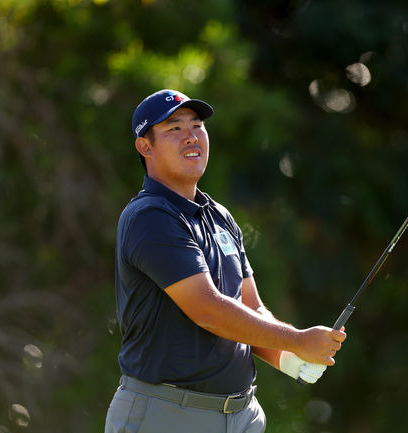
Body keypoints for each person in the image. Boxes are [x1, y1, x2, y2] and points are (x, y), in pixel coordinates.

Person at [105, 89, 347, 433]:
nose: (191, 136)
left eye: (197, 125)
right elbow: (208, 310)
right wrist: (297, 340)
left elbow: (251, 308)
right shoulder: (150, 216)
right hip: (165, 416)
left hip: (242, 415)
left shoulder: (219, 216)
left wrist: (289, 359)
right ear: (146, 147)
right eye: (174, 128)